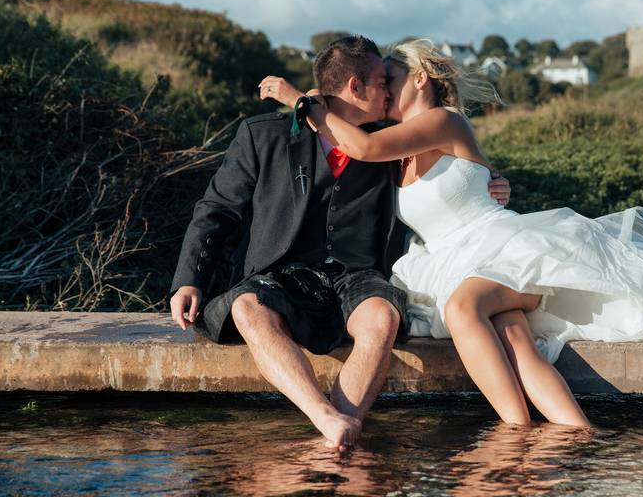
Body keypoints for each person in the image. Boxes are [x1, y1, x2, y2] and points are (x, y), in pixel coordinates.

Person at [261, 38, 643, 428]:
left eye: (390, 76)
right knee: (514, 337)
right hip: (447, 257)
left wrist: (301, 99)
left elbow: (360, 142)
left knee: (468, 309)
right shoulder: (395, 150)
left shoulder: (441, 120)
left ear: (419, 76)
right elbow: (384, 163)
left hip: (501, 248)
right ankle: (573, 435)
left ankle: (515, 437)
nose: (384, 88)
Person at [169, 35, 512, 451]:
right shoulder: (264, 136)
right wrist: (190, 279)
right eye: (383, 82)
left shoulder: (389, 142)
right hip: (282, 275)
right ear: (355, 87)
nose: (389, 90)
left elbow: (450, 172)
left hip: (358, 275)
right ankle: (327, 419)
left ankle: (337, 435)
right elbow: (218, 209)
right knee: (246, 308)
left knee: (382, 319)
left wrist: (490, 183)